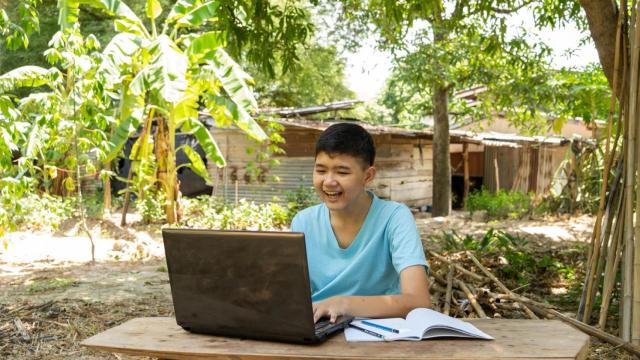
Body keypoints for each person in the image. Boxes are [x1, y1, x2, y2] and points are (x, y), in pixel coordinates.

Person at [291, 122, 431, 324]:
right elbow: (293, 297)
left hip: (380, 334)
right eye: (321, 170)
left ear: (368, 176)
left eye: (342, 172)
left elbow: (418, 301)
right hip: (318, 330)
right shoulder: (303, 222)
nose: (329, 181)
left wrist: (344, 305)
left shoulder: (395, 218)